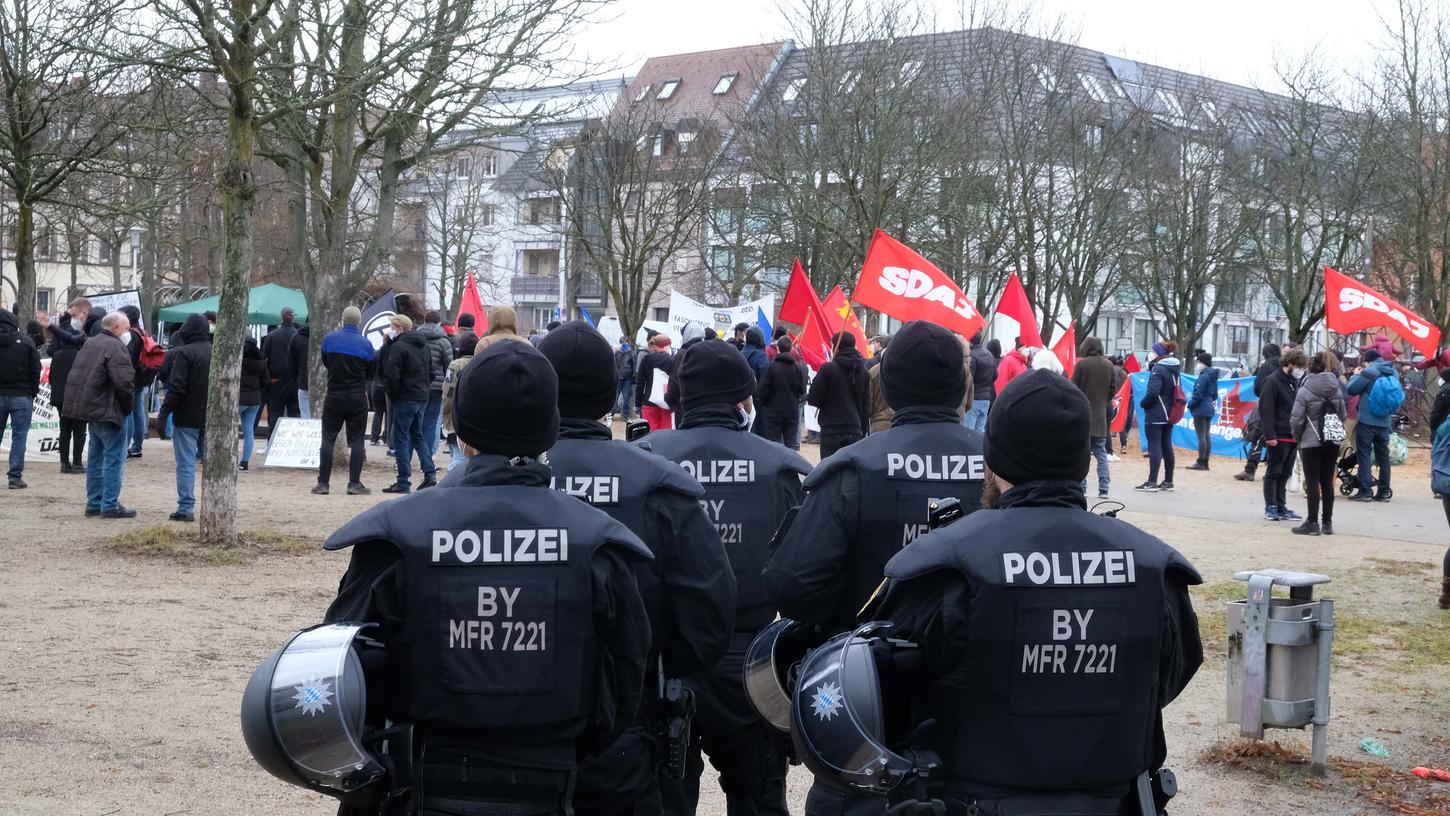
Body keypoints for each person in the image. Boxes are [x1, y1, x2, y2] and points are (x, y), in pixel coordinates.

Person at [320, 339, 653, 816]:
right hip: (553, 782)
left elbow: (341, 672)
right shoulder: (598, 542)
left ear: (463, 434)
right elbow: (625, 681)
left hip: (420, 784)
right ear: (549, 432)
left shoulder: (396, 535)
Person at [868, 369, 1204, 816]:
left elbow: (884, 694)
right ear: (1084, 460)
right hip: (1113, 800)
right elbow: (1170, 676)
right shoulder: (1153, 567)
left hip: (971, 798)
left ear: (992, 460)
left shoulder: (944, 564)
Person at [536, 322, 737, 816]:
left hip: (501, 736)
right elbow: (709, 616)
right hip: (628, 726)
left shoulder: (473, 487)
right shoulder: (661, 485)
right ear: (610, 395)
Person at [637, 338, 810, 816]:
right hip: (752, 659)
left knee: (664, 799)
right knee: (758, 798)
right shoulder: (785, 467)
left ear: (678, 396)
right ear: (744, 397)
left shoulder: (642, 460)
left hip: (665, 659)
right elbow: (807, 576)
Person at [765, 319, 985, 643]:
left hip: (868, 666)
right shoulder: (1000, 467)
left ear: (887, 385)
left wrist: (845, 617)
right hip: (974, 665)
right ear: (962, 384)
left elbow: (792, 586)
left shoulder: (853, 469)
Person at [64, 312, 136, 518]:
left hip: (92, 410)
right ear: (115, 328)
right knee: (113, 459)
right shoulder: (116, 347)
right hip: (109, 410)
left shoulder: (90, 343)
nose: (128, 332)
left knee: (95, 458)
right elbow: (124, 382)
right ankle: (110, 504)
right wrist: (127, 407)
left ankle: (94, 502)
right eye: (126, 328)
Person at [314, 306, 376, 496]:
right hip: (357, 396)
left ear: (342, 320)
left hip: (334, 395)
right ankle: (354, 483)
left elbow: (326, 361)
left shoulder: (329, 340)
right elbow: (371, 372)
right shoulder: (366, 344)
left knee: (328, 439)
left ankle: (323, 483)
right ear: (359, 322)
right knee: (357, 440)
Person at [160, 314, 212, 523]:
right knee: (212, 463)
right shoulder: (216, 351)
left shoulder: (184, 353)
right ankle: (212, 504)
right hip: (211, 416)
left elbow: (177, 387)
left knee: (186, 463)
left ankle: (186, 507)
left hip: (186, 417)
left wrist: (164, 414)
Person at [1291, 351, 1346, 536]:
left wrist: (1298, 437)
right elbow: (1342, 416)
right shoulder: (1337, 389)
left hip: (1311, 440)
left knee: (1313, 482)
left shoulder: (1305, 390)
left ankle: (1312, 522)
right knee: (1327, 482)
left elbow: (1297, 418)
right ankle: (1327, 522)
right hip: (1332, 440)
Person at [382, 314, 436, 494]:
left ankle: (403, 480)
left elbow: (392, 375)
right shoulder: (423, 346)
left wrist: (393, 394)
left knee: (401, 438)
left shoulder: (399, 347)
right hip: (421, 396)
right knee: (418, 435)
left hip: (405, 397)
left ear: (399, 328)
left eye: (392, 326)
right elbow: (432, 372)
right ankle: (430, 473)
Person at [1257, 347, 1307, 522]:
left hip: (1292, 434)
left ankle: (1281, 505)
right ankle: (1271, 505)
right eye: (1299, 366)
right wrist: (1270, 435)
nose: (1301, 370)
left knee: (1285, 473)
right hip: (1278, 435)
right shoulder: (1272, 381)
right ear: (1291, 364)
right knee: (1274, 472)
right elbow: (1266, 410)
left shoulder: (1292, 382)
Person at [48, 300, 98, 474]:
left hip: (61, 397)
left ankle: (64, 463)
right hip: (79, 397)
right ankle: (77, 462)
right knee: (79, 430)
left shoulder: (57, 356)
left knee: (64, 429)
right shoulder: (82, 355)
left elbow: (52, 377)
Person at [1347, 348, 1399, 502]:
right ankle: (1383, 491)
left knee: (1364, 455)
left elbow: (1351, 390)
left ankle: (1365, 491)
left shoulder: (1369, 372)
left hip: (1367, 420)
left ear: (1367, 361)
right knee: (1383, 457)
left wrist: (1355, 375)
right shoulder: (1393, 373)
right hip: (1385, 422)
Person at [807, 332, 870, 458]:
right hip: (854, 429)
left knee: (829, 472)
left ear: (836, 346)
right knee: (849, 472)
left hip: (831, 429)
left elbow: (813, 398)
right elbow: (866, 405)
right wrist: (863, 430)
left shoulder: (828, 369)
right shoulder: (863, 371)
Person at [1071, 336, 1118, 498]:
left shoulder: (1081, 365)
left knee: (1082, 456)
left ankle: (1082, 487)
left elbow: (1073, 388)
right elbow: (1113, 389)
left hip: (1083, 416)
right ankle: (1104, 487)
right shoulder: (1109, 365)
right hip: (1100, 417)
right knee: (1101, 454)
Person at [0, 308, 42, 489]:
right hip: (22, 395)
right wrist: (32, 391)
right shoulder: (26, 343)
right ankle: (14, 477)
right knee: (19, 437)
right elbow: (35, 369)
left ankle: (15, 476)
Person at [1136, 341, 1181, 492]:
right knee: (1167, 446)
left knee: (1154, 446)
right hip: (1170, 413)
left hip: (1156, 413)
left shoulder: (1158, 369)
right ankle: (1168, 481)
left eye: (1152, 351)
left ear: (1157, 354)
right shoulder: (1174, 368)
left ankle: (1151, 482)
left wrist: (1143, 403)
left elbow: (1153, 393)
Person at [1235, 344, 1282, 482]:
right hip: (1284, 407)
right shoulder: (1285, 366)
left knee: (1259, 435)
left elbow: (1257, 387)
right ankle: (1273, 470)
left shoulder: (1266, 366)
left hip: (1267, 405)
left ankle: (1250, 468)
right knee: (1278, 439)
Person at [119, 305, 156, 459]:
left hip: (131, 378)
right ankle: (137, 445)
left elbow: (126, 357)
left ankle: (126, 446)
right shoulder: (143, 333)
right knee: (138, 412)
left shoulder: (130, 335)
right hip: (141, 378)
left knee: (129, 413)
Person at [757, 335, 808, 448]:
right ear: (790, 349)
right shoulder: (797, 368)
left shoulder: (771, 367)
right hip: (791, 410)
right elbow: (802, 390)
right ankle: (790, 465)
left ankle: (775, 465)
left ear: (778, 348)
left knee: (774, 444)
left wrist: (767, 403)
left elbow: (763, 389)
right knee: (790, 444)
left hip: (774, 410)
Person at [417, 310, 454, 465]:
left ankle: (414, 452)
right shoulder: (443, 341)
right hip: (437, 387)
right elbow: (449, 366)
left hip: (418, 385)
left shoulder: (416, 338)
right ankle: (427, 456)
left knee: (417, 419)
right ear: (439, 322)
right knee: (431, 422)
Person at [262, 306, 301, 431]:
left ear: (281, 317)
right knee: (295, 415)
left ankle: (272, 444)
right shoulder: (299, 336)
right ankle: (293, 444)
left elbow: (264, 360)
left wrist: (268, 381)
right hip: (295, 382)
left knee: (275, 415)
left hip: (276, 381)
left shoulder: (271, 336)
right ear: (293, 317)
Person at [1186, 351, 1219, 471]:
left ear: (1203, 363)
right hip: (1209, 407)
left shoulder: (1203, 376)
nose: (1197, 365)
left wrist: (1190, 404)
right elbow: (1215, 395)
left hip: (1200, 408)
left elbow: (1198, 394)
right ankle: (1205, 462)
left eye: (1199, 362)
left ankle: (1200, 461)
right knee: (1206, 436)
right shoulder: (1212, 376)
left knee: (1201, 436)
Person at [635, 333, 675, 432]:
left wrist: (638, 403)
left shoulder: (646, 360)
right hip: (666, 401)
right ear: (666, 346)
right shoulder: (672, 361)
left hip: (649, 400)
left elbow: (640, 383)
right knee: (666, 433)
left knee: (650, 434)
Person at [239, 337, 267, 470]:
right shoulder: (261, 361)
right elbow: (266, 381)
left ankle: (229, 459)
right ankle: (245, 462)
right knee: (249, 431)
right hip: (255, 399)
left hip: (239, 399)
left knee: (230, 430)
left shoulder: (238, 358)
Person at [965, 331, 996, 431]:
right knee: (980, 431)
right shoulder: (990, 355)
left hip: (974, 399)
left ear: (970, 341)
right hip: (986, 399)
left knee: (969, 431)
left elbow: (969, 378)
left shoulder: (972, 356)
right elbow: (995, 376)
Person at [288, 323, 311, 417]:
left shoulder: (296, 338)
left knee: (305, 416)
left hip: (303, 382)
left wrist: (296, 381)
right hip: (325, 384)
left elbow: (291, 364)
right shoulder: (327, 336)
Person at [613, 335, 636, 420]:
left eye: (625, 342)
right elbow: (614, 364)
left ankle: (625, 415)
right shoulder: (618, 352)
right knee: (615, 397)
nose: (624, 343)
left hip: (627, 378)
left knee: (626, 397)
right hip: (619, 376)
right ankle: (612, 414)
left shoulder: (631, 353)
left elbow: (634, 364)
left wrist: (633, 376)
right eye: (622, 342)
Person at [1430, 367, 1450, 433]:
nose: (1439, 379)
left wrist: (1433, 429)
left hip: (1442, 427)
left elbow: (1436, 413)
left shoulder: (1443, 392)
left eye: (1441, 377)